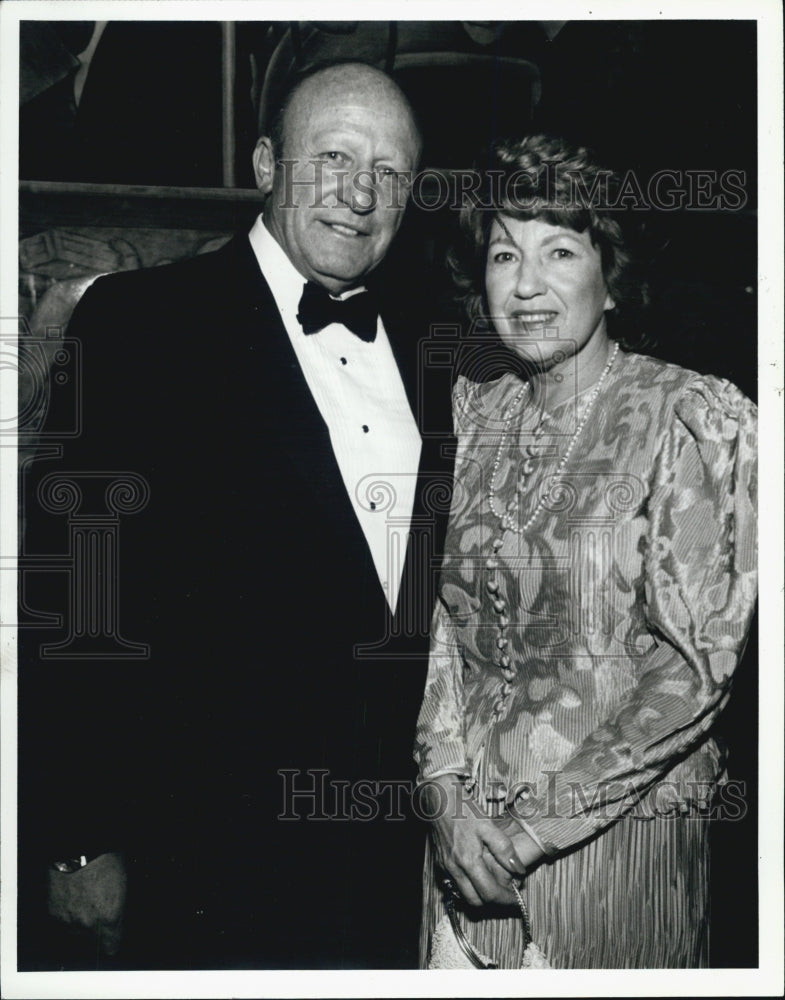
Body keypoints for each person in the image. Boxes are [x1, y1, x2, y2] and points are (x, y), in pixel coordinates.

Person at [19, 61, 453, 970]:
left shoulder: (433, 341)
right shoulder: (140, 324)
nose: (360, 193)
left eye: (390, 171)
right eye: (332, 155)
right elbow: (78, 601)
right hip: (203, 854)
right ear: (265, 163)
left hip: (391, 858)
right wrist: (75, 840)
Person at [414, 134, 757, 968]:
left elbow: (693, 668)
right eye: (504, 254)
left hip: (612, 853)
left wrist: (534, 829)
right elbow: (437, 635)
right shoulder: (471, 416)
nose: (526, 285)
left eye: (558, 251)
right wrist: (443, 795)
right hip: (462, 853)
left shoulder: (693, 415)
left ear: (609, 275)